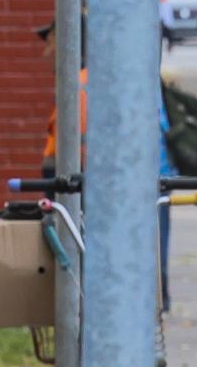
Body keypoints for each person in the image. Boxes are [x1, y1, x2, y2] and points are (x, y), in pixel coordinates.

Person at [39, 17, 182, 309]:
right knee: (146, 244)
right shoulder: (139, 79)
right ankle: (156, 297)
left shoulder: (81, 84)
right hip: (143, 175)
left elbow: (64, 140)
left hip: (96, 179)